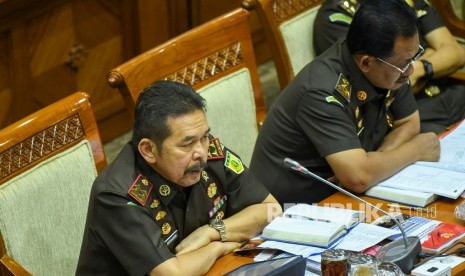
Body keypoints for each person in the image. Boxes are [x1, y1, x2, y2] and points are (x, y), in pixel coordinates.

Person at [76, 80, 281, 275]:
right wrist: (219, 247)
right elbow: (172, 273)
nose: (201, 152)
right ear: (148, 150)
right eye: (186, 144)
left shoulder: (208, 155)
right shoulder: (117, 195)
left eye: (204, 137)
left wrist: (213, 232)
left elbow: (272, 209)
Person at [248, 0, 440, 206]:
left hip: (345, 197)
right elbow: (358, 178)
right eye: (404, 64)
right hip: (290, 211)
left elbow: (409, 123)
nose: (410, 71)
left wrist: (371, 164)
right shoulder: (321, 90)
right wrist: (415, 150)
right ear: (366, 62)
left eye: (414, 57)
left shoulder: (391, 65)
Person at [314, 0, 465, 134]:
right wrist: (434, 54)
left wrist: (418, 68)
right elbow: (382, 81)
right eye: (405, 64)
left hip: (451, 93)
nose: (409, 69)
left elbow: (456, 53)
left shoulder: (400, 4)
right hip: (410, 112)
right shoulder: (338, 14)